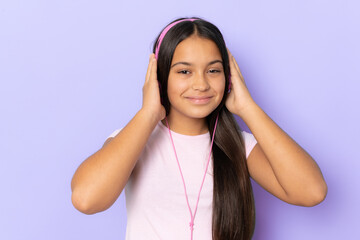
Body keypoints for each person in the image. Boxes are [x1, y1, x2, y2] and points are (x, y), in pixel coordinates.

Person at [71, 17, 327, 240]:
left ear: (228, 77)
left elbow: (311, 192)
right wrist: (148, 114)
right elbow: (86, 199)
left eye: (213, 70)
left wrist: (247, 107)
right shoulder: (133, 141)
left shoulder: (239, 146)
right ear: (160, 77)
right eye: (184, 71)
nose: (201, 84)